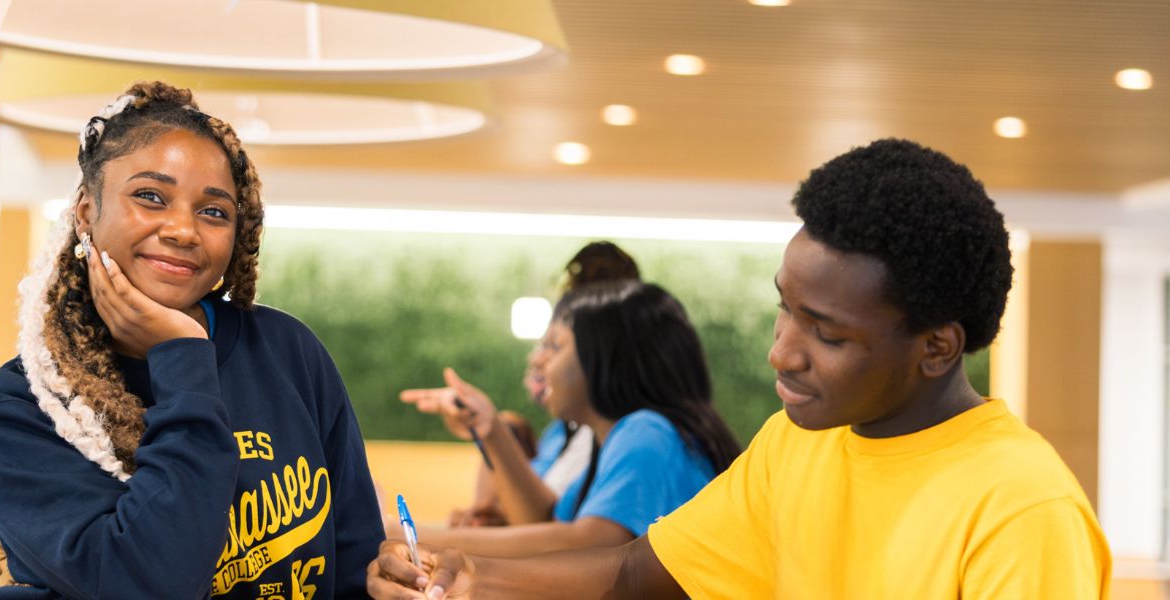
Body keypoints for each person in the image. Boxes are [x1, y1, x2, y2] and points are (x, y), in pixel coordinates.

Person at [368, 138, 1111, 599]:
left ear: (938, 348)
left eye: (826, 333)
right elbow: (633, 574)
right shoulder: (798, 443)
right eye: (786, 310)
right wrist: (471, 576)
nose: (782, 351)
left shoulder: (1022, 511)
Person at [0, 81, 383, 599]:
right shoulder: (18, 411)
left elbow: (356, 562)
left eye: (214, 211)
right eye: (150, 197)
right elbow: (151, 585)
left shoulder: (286, 349)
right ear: (87, 212)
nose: (184, 230)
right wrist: (182, 358)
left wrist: (388, 580)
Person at [401, 282, 740, 558]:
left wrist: (410, 537)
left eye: (554, 345)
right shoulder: (612, 439)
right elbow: (541, 524)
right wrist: (489, 429)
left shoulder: (648, 432)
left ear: (604, 358)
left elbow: (586, 546)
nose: (538, 360)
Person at [401, 242, 640, 527]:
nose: (538, 359)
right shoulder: (567, 434)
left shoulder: (637, 435)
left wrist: (417, 536)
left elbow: (570, 542)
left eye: (555, 345)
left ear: (601, 352)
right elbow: (547, 527)